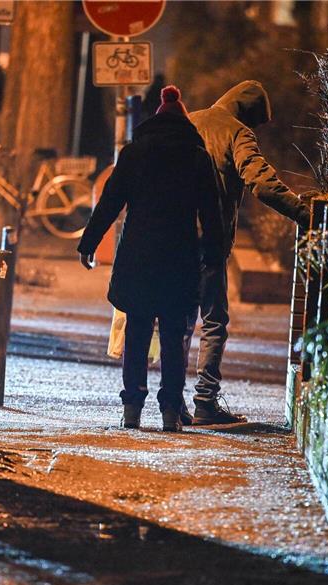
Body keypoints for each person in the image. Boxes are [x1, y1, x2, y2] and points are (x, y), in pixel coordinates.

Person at [77, 86, 224, 432]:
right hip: (180, 256)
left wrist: (89, 243)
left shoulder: (135, 153)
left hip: (138, 255)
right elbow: (211, 214)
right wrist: (214, 256)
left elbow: (110, 202)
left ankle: (132, 408)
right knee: (174, 334)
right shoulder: (198, 157)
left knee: (138, 330)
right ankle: (171, 411)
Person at [185, 80, 308, 425]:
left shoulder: (189, 120)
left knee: (178, 320)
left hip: (174, 237)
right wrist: (303, 214)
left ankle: (171, 403)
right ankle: (204, 403)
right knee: (213, 321)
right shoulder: (237, 133)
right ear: (247, 114)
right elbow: (262, 182)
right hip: (209, 241)